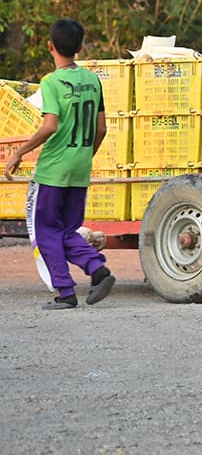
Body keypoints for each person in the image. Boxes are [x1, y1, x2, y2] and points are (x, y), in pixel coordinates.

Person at [4, 19, 115, 309]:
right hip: (80, 166)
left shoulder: (51, 82)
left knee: (45, 231)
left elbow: (50, 125)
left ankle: (65, 292)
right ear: (80, 47)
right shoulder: (93, 80)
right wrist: (85, 156)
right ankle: (97, 268)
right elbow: (101, 129)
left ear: (50, 46)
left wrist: (20, 152)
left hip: (53, 169)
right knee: (67, 229)